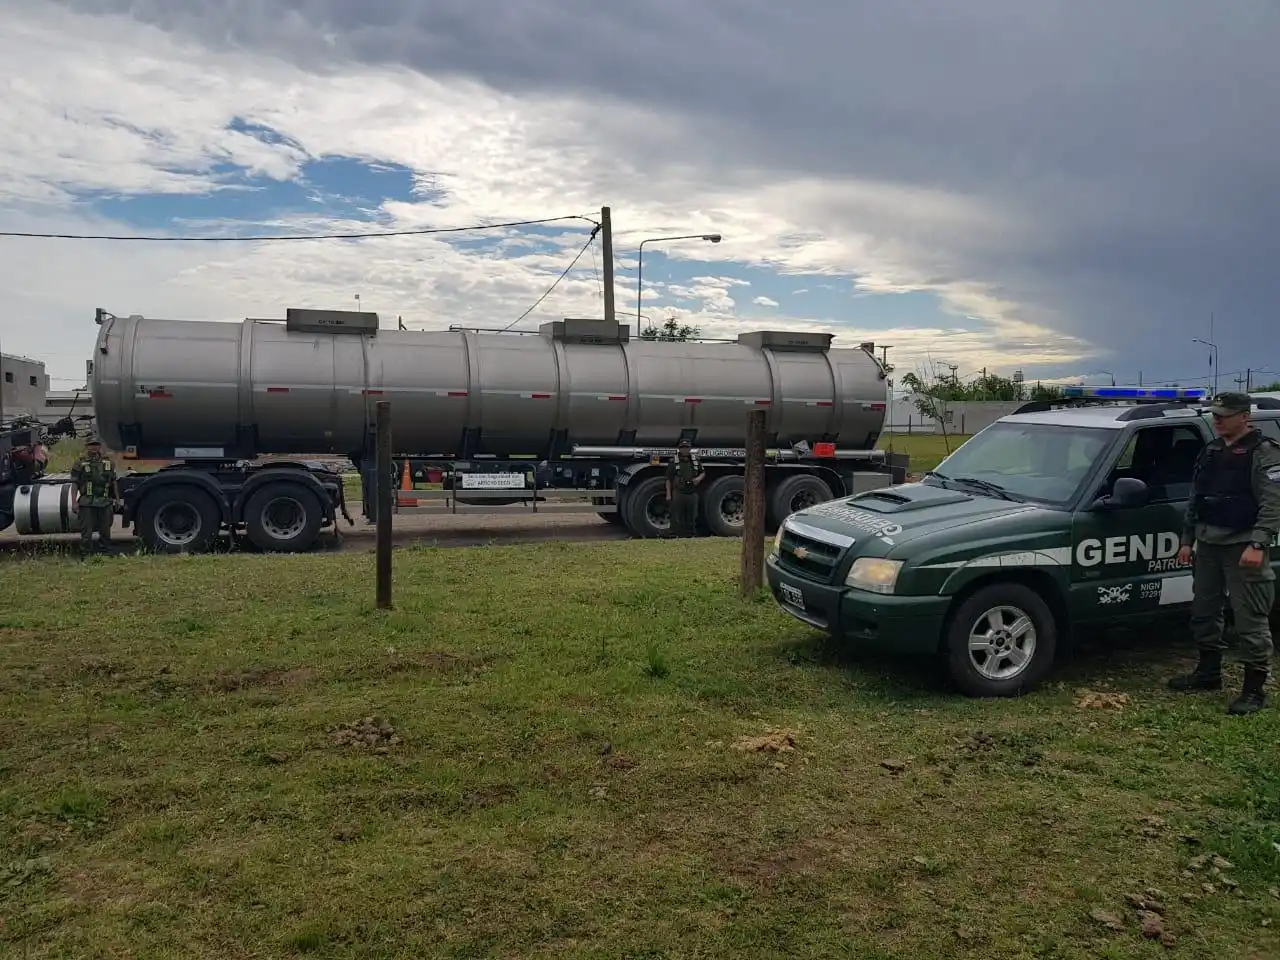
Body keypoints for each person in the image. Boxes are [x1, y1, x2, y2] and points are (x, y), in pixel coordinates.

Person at [1168, 391, 1280, 714]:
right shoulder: (1212, 450)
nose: (1217, 419)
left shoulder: (1265, 453)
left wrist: (1258, 544)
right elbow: (1196, 498)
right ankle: (1208, 671)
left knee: (1249, 617)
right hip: (1208, 544)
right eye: (1215, 414)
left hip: (1242, 545)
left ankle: (1255, 688)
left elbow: (1272, 505)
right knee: (1203, 610)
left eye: (1224, 414)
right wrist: (1187, 540)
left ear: (1244, 416)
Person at [69, 436, 120, 552]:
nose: (94, 447)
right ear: (86, 446)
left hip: (104, 501)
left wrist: (117, 499)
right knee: (86, 531)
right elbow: (75, 483)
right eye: (91, 445)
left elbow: (113, 481)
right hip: (87, 502)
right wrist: (73, 502)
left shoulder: (108, 462)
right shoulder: (80, 463)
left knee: (105, 530)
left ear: (100, 446)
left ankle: (105, 551)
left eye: (96, 444)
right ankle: (86, 553)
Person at [665, 439, 704, 537]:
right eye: (683, 448)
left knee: (692, 517)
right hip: (679, 492)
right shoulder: (674, 462)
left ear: (690, 449)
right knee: (676, 517)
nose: (685, 450)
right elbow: (668, 479)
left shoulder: (695, 460)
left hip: (692, 492)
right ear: (679, 449)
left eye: (687, 447)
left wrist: (699, 478)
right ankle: (674, 536)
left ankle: (690, 536)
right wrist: (668, 494)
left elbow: (703, 472)